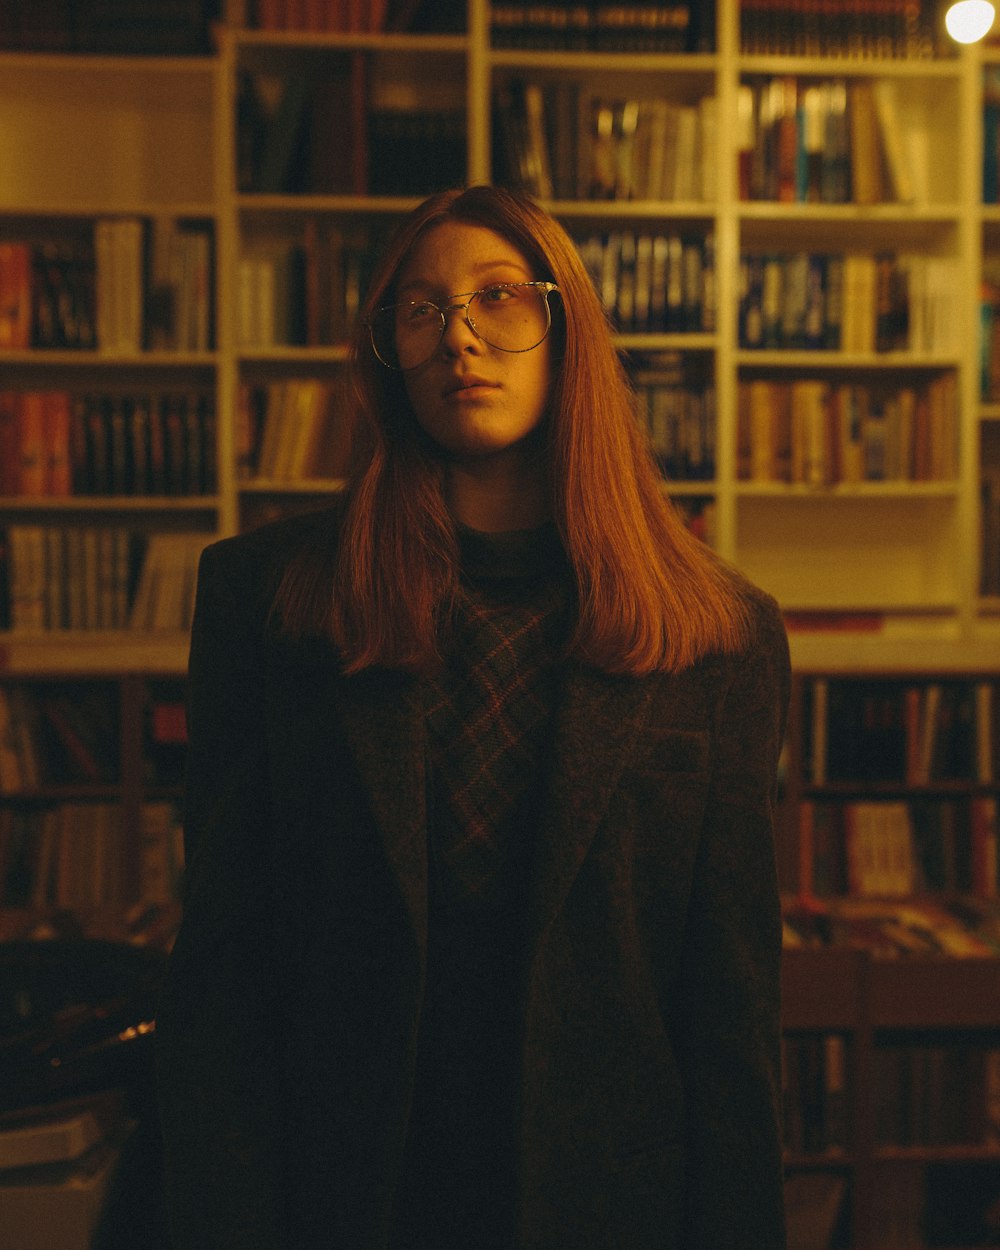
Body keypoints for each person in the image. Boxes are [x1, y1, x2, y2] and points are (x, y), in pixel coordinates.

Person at [155, 184, 790, 1250]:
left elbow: (729, 1011)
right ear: (388, 355)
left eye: (499, 297)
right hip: (341, 1189)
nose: (458, 334)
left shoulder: (716, 634)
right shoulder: (271, 602)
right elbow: (224, 966)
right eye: (420, 308)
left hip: (604, 1198)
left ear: (566, 327)